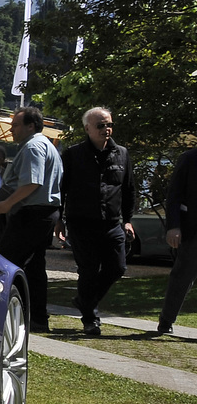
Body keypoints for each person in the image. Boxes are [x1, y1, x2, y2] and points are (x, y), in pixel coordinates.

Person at [55, 107, 133, 335]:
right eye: (100, 125)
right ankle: (90, 319)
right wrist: (59, 219)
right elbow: (62, 189)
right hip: (82, 222)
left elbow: (129, 190)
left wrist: (127, 221)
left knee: (117, 267)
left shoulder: (122, 154)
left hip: (111, 222)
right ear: (87, 128)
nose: (106, 129)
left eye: (109, 125)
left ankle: (84, 301)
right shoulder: (74, 154)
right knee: (88, 270)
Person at [0, 107, 63, 333]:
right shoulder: (44, 145)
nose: (11, 130)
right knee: (34, 269)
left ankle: (0, 317)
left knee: (5, 264)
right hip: (42, 214)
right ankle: (38, 320)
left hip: (32, 214)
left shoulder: (33, 146)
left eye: (15, 125)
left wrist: (7, 204)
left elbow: (32, 183)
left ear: (30, 126)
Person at [155, 145, 197, 334]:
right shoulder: (189, 158)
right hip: (193, 230)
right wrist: (173, 226)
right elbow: (174, 195)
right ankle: (166, 320)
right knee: (183, 276)